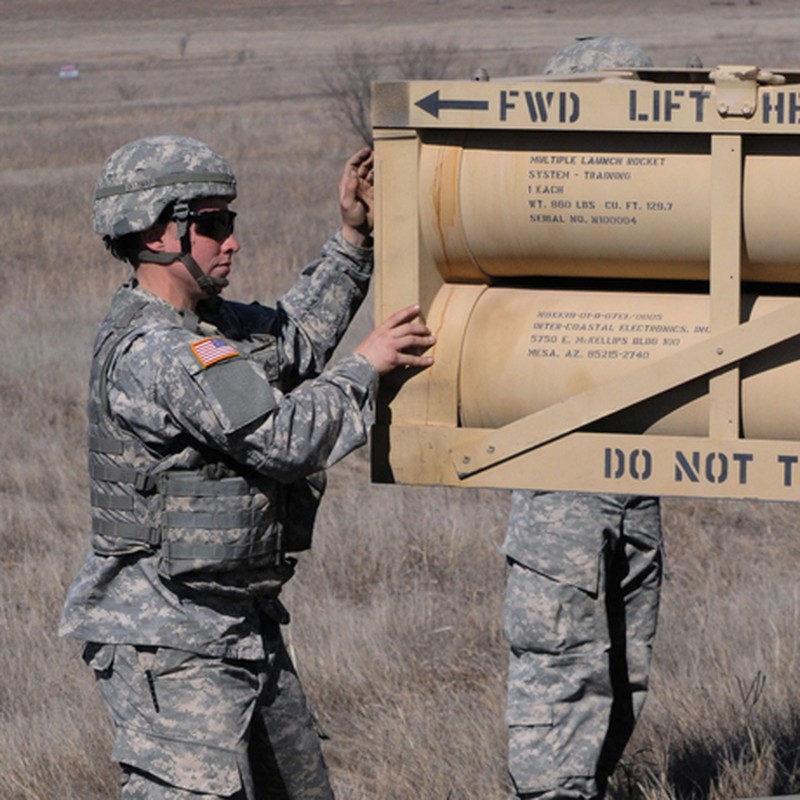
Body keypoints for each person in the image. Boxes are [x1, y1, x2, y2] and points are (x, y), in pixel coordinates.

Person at [59, 135, 434, 799]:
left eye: (230, 222)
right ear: (154, 231)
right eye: (211, 226)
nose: (230, 241)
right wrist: (367, 366)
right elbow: (284, 439)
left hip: (236, 625)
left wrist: (352, 240)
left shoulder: (209, 328)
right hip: (168, 643)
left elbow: (291, 343)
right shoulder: (159, 349)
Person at [502, 38, 664, 800]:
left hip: (639, 474)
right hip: (560, 479)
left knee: (626, 672)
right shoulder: (524, 209)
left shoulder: (663, 210)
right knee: (562, 670)